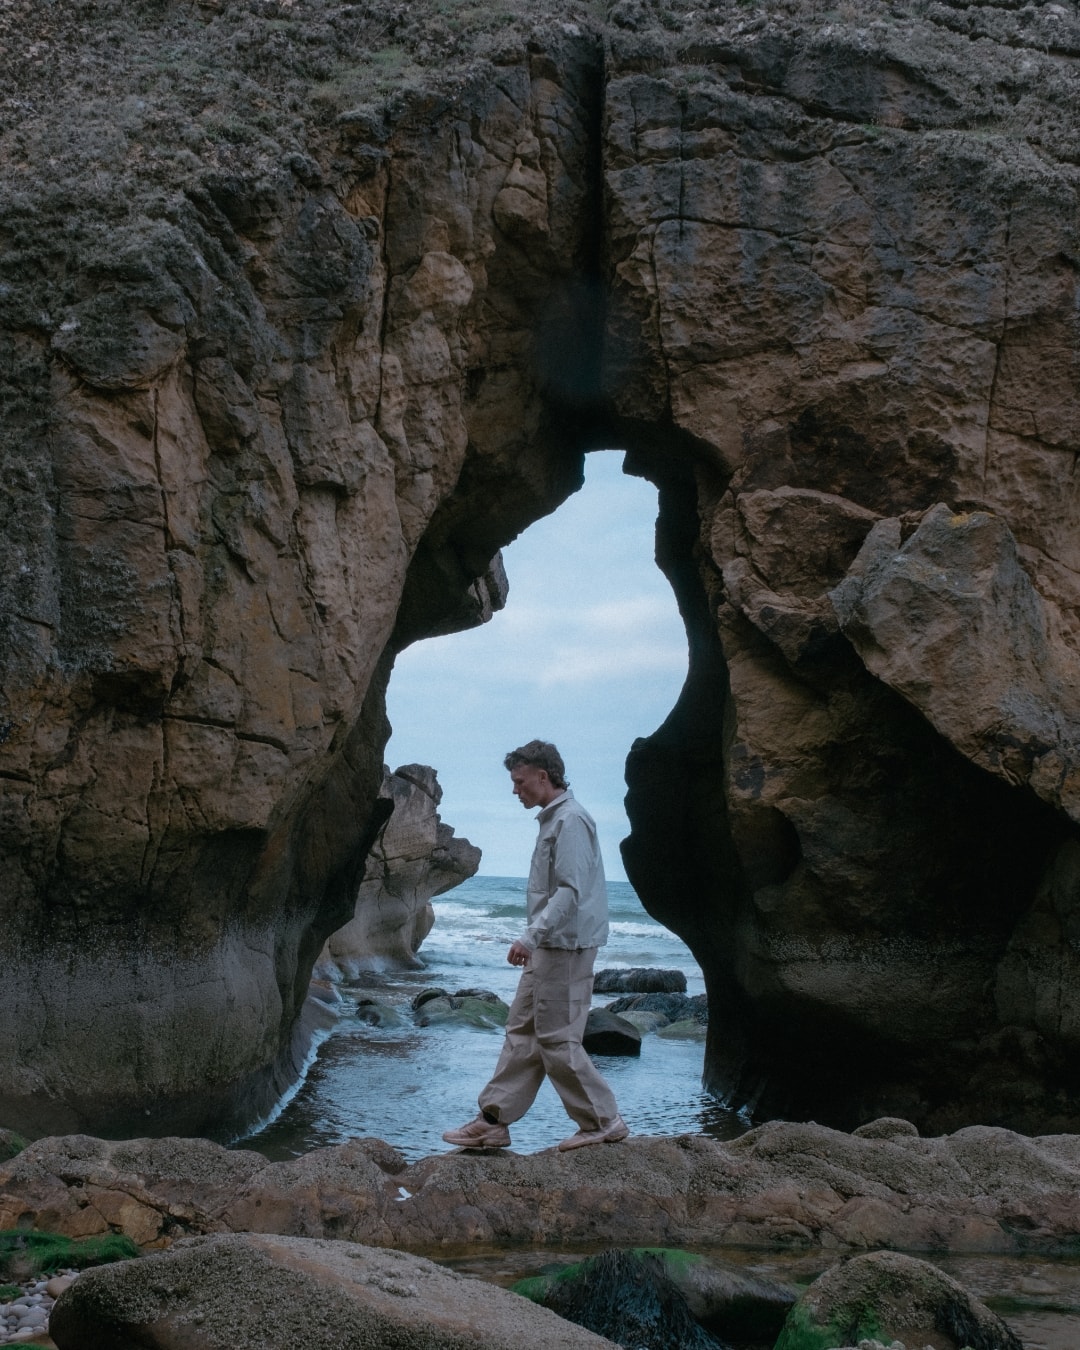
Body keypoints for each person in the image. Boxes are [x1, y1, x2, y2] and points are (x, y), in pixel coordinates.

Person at [442, 740, 628, 1152]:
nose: (515, 790)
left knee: (558, 1039)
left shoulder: (571, 821)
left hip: (565, 947)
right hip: (552, 946)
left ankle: (603, 1120)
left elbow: (569, 892)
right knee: (522, 1033)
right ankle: (493, 1121)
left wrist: (530, 937)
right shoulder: (554, 819)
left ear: (543, 777)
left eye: (519, 781)